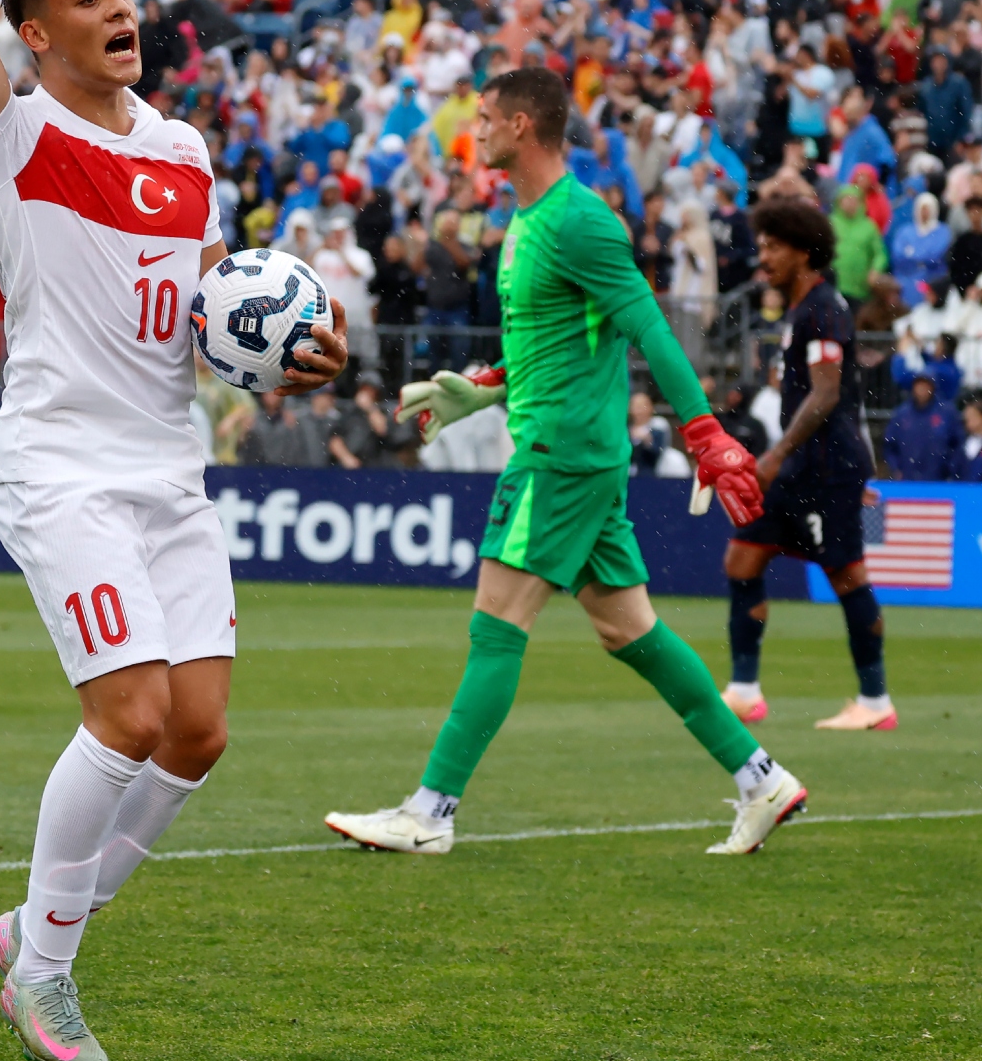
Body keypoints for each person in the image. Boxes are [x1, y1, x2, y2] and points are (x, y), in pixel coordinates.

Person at [0, 0, 347, 1061]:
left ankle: (36, 923)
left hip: (169, 472)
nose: (121, 10)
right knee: (129, 716)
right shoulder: (11, 133)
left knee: (197, 735)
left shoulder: (184, 148)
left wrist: (291, 356)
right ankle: (45, 972)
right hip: (60, 468)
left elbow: (213, 314)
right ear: (40, 34)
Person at [324, 67, 801, 864]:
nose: (471, 132)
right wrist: (479, 392)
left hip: (561, 455)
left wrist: (705, 433)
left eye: (482, 119)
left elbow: (649, 329)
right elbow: (548, 347)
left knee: (497, 623)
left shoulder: (580, 221)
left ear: (521, 126)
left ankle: (430, 810)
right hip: (572, 449)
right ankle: (762, 779)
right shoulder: (524, 219)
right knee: (629, 630)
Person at [724, 198, 895, 732]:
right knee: (742, 559)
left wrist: (774, 455)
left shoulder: (825, 307)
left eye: (775, 246)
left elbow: (825, 395)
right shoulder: (804, 311)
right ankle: (745, 691)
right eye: (764, 244)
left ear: (804, 252)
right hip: (801, 468)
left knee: (847, 576)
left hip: (827, 467)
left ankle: (874, 701)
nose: (764, 255)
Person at [882, 370, 962, 480]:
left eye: (926, 385)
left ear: (933, 387)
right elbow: (889, 445)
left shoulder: (947, 413)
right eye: (919, 385)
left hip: (938, 480)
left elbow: (957, 444)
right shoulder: (902, 414)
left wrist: (950, 469)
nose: (922, 389)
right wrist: (896, 468)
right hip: (907, 478)